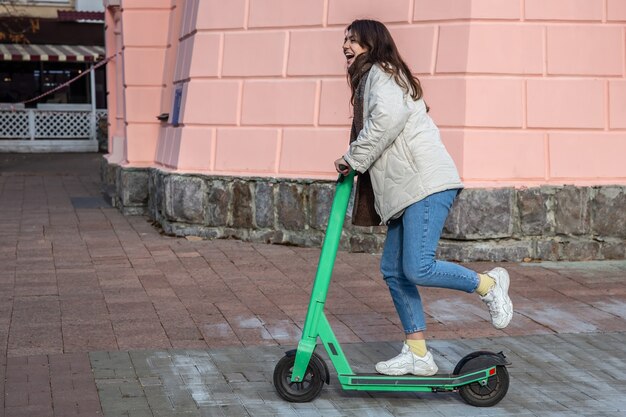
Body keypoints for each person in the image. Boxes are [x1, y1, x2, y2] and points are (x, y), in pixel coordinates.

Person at [334, 19, 513, 377]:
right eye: (345, 40)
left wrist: (353, 158)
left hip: (424, 183)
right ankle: (417, 353)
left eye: (353, 40)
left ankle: (490, 284)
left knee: (417, 267)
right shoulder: (376, 78)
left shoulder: (381, 74)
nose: (346, 45)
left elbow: (386, 121)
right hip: (406, 189)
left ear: (373, 44)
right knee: (393, 271)